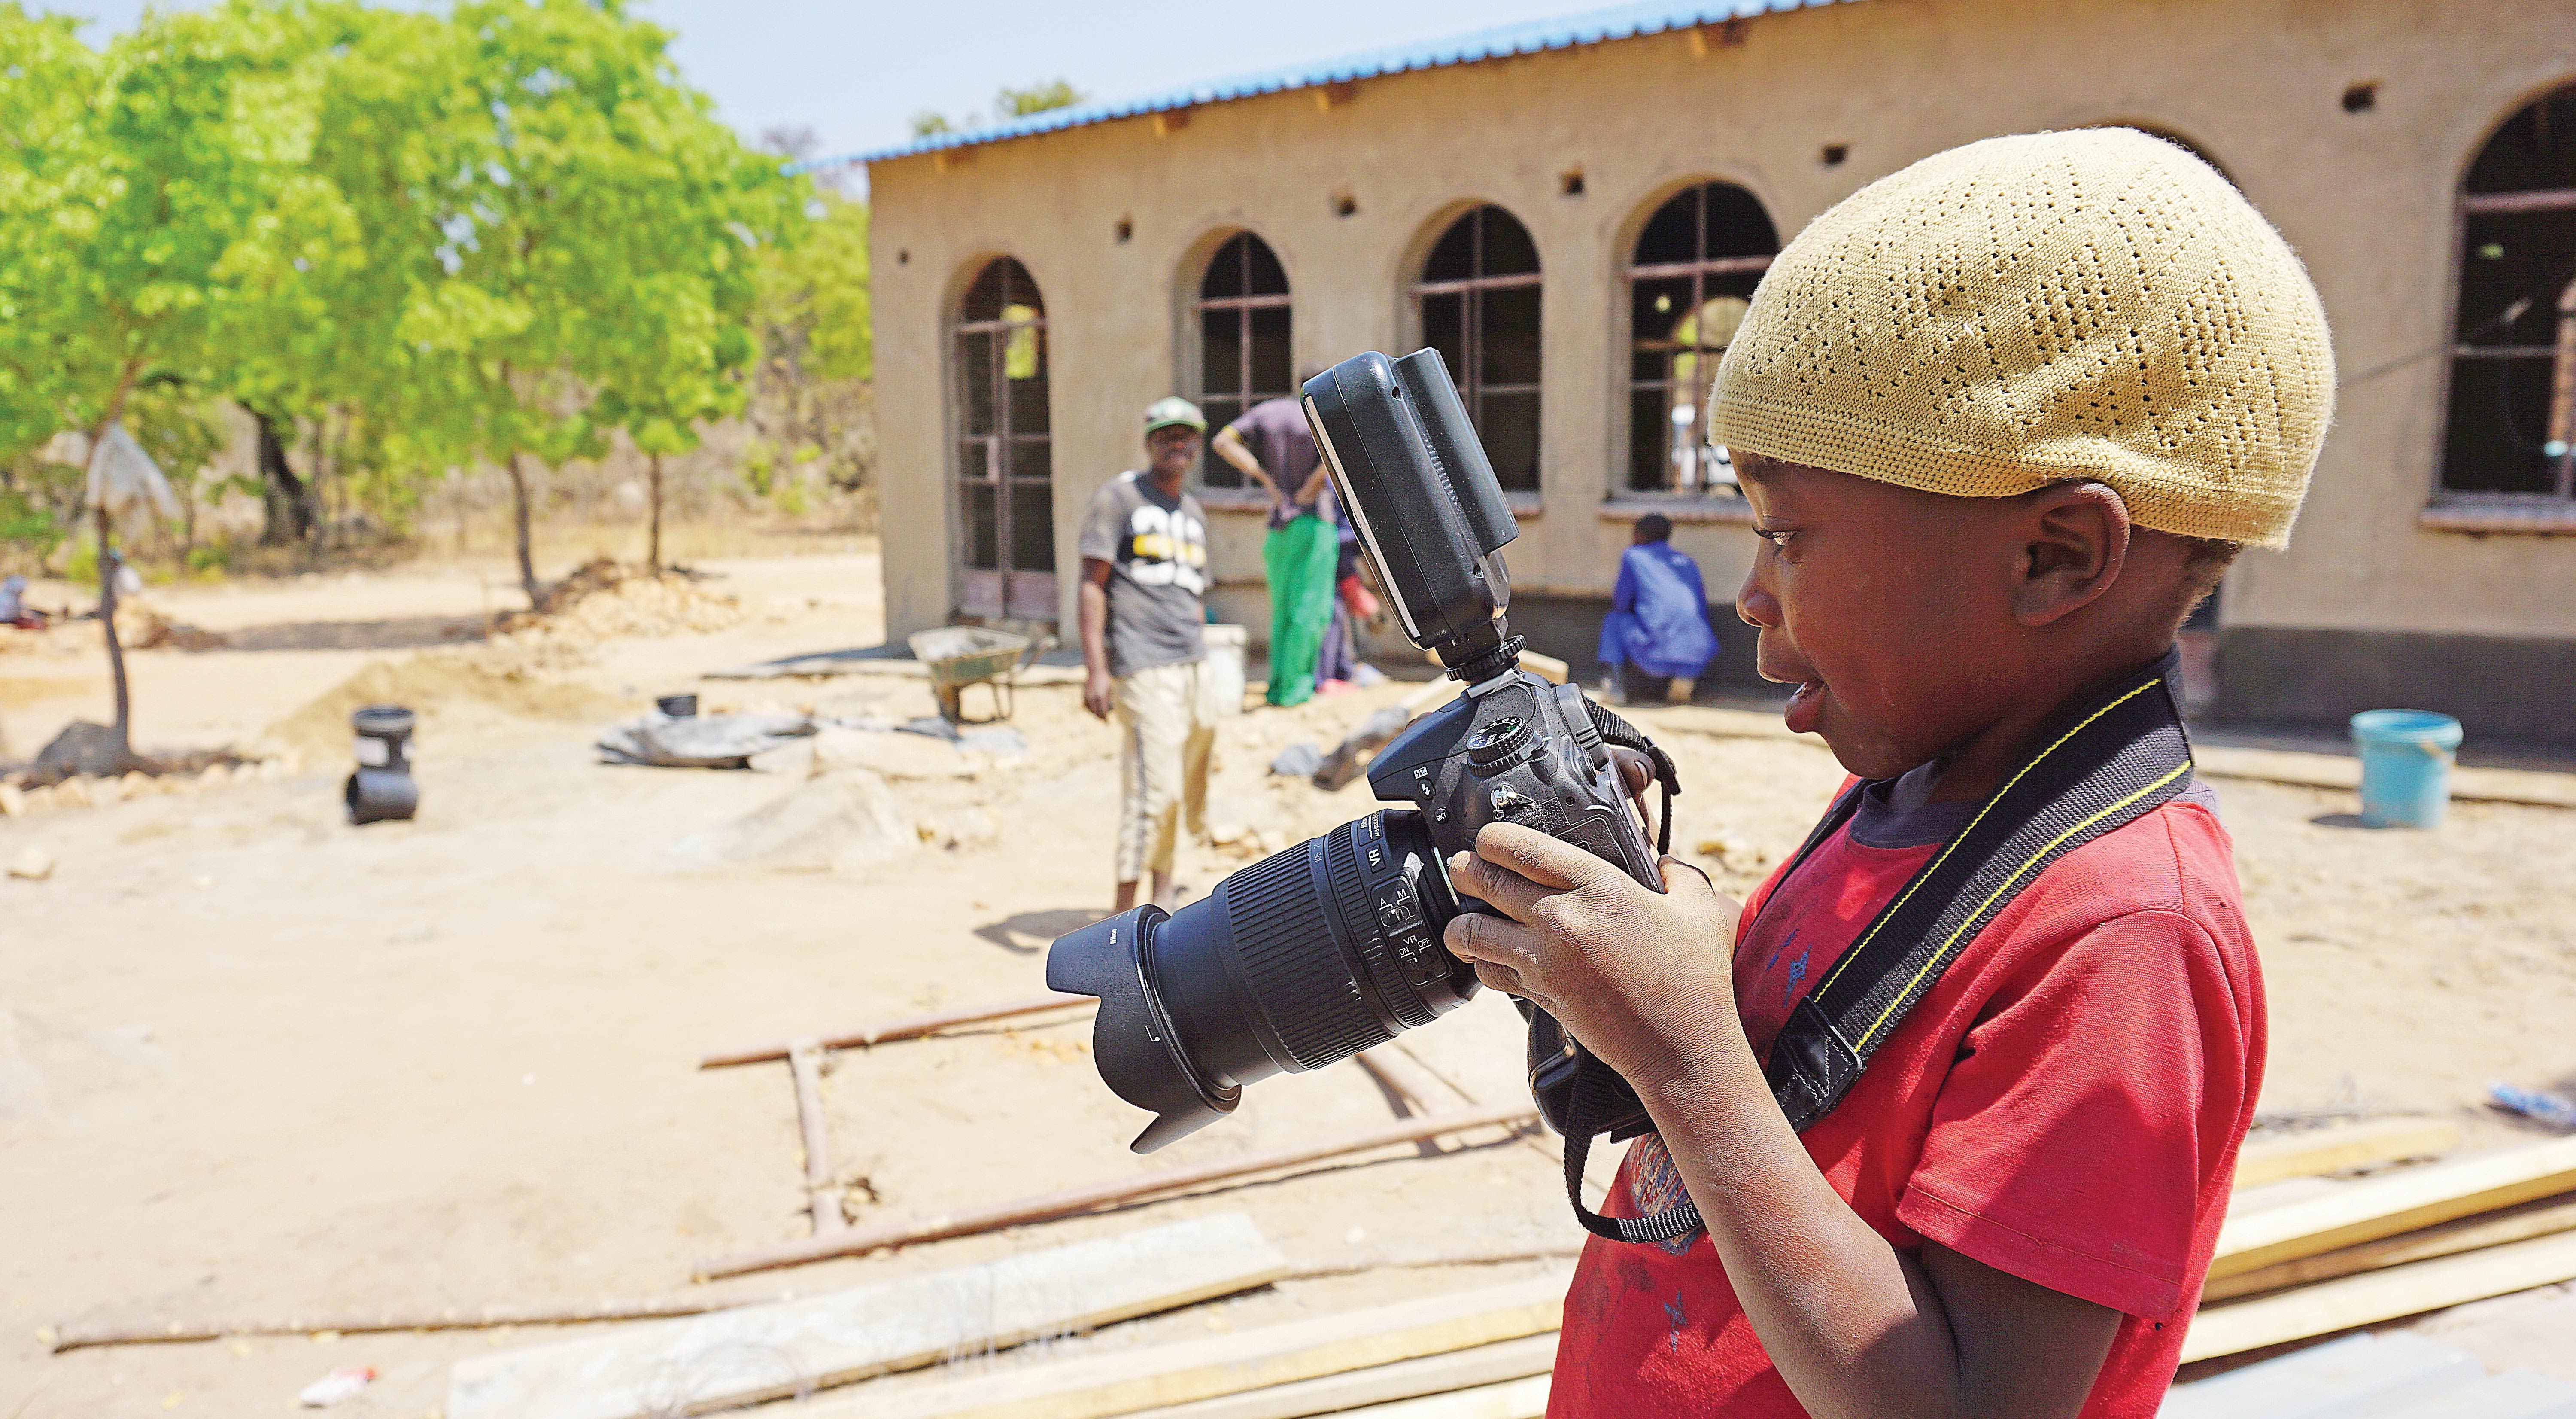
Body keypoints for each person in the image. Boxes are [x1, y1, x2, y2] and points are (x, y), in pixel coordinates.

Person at [1438, 129, 2332, 1418]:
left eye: (1786, 533)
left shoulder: (2126, 934)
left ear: (2052, 558)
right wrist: (1615, 965)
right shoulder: (1900, 798)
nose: (1747, 595)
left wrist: (1684, 1055)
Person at [1079, 397, 1221, 913]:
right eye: (1166, 436)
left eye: (1185, 436)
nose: (1176, 445)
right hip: (1141, 665)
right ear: (1149, 443)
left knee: (1178, 789)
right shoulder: (1119, 499)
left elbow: (1193, 595)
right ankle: (1120, 918)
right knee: (1152, 793)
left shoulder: (1192, 511)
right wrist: (1096, 669)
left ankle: (1161, 898)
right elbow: (1092, 585)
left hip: (1192, 663)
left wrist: (1203, 653)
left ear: (1197, 445)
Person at [1210, 377, 1338, 708]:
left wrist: (1264, 478)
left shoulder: (1267, 412)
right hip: (1314, 524)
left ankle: (1277, 686)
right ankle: (1296, 690)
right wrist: (1314, 482)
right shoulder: (1319, 414)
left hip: (1278, 524)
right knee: (1310, 610)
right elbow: (1337, 450)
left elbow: (1223, 442)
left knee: (1281, 610)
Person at [1596, 513, 1718, 705]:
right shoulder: (1686, 561)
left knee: (1615, 620)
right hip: (1698, 656)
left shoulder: (1634, 555)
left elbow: (1621, 602)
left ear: (1640, 535)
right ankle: (1684, 681)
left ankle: (1614, 688)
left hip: (1656, 656)